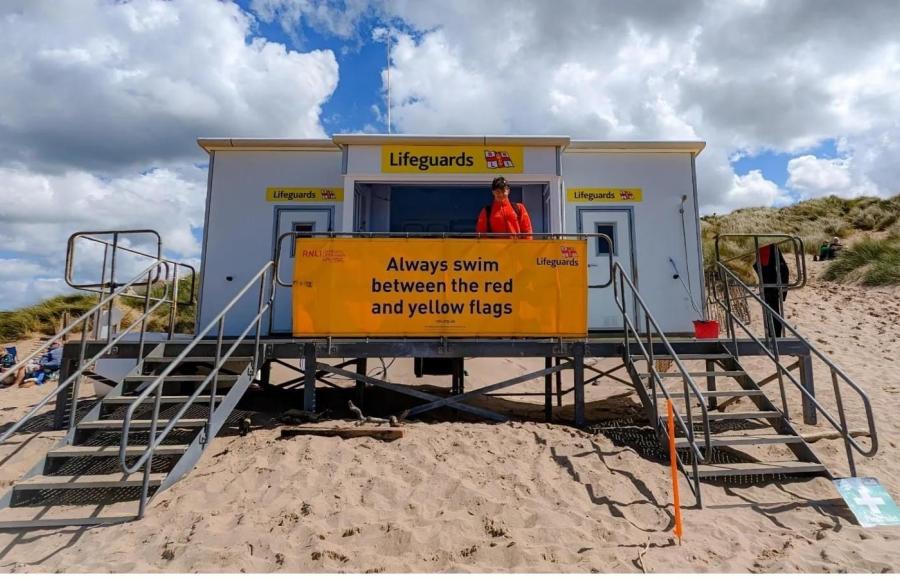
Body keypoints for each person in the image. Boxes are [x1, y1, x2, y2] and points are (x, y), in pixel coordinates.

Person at [754, 244, 790, 338]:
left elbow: (784, 269)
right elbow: (784, 269)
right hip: (770, 283)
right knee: (771, 311)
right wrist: (783, 291)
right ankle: (773, 337)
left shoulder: (769, 247)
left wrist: (783, 291)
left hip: (770, 284)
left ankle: (774, 338)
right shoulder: (769, 247)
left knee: (772, 312)